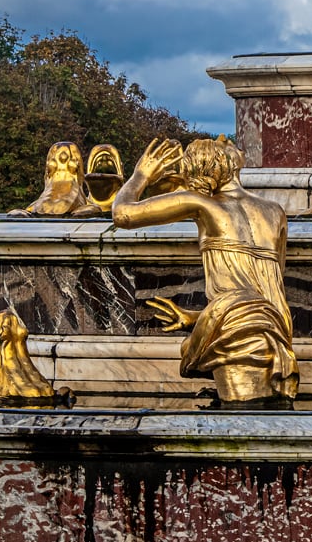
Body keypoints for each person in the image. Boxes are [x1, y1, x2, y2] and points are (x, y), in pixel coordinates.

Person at [113, 137, 298, 405]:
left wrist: (140, 175)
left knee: (242, 420)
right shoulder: (275, 212)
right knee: (265, 418)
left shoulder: (203, 204)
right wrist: (196, 318)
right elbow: (266, 288)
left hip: (235, 333)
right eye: (223, 142)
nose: (225, 138)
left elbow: (122, 214)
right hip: (276, 327)